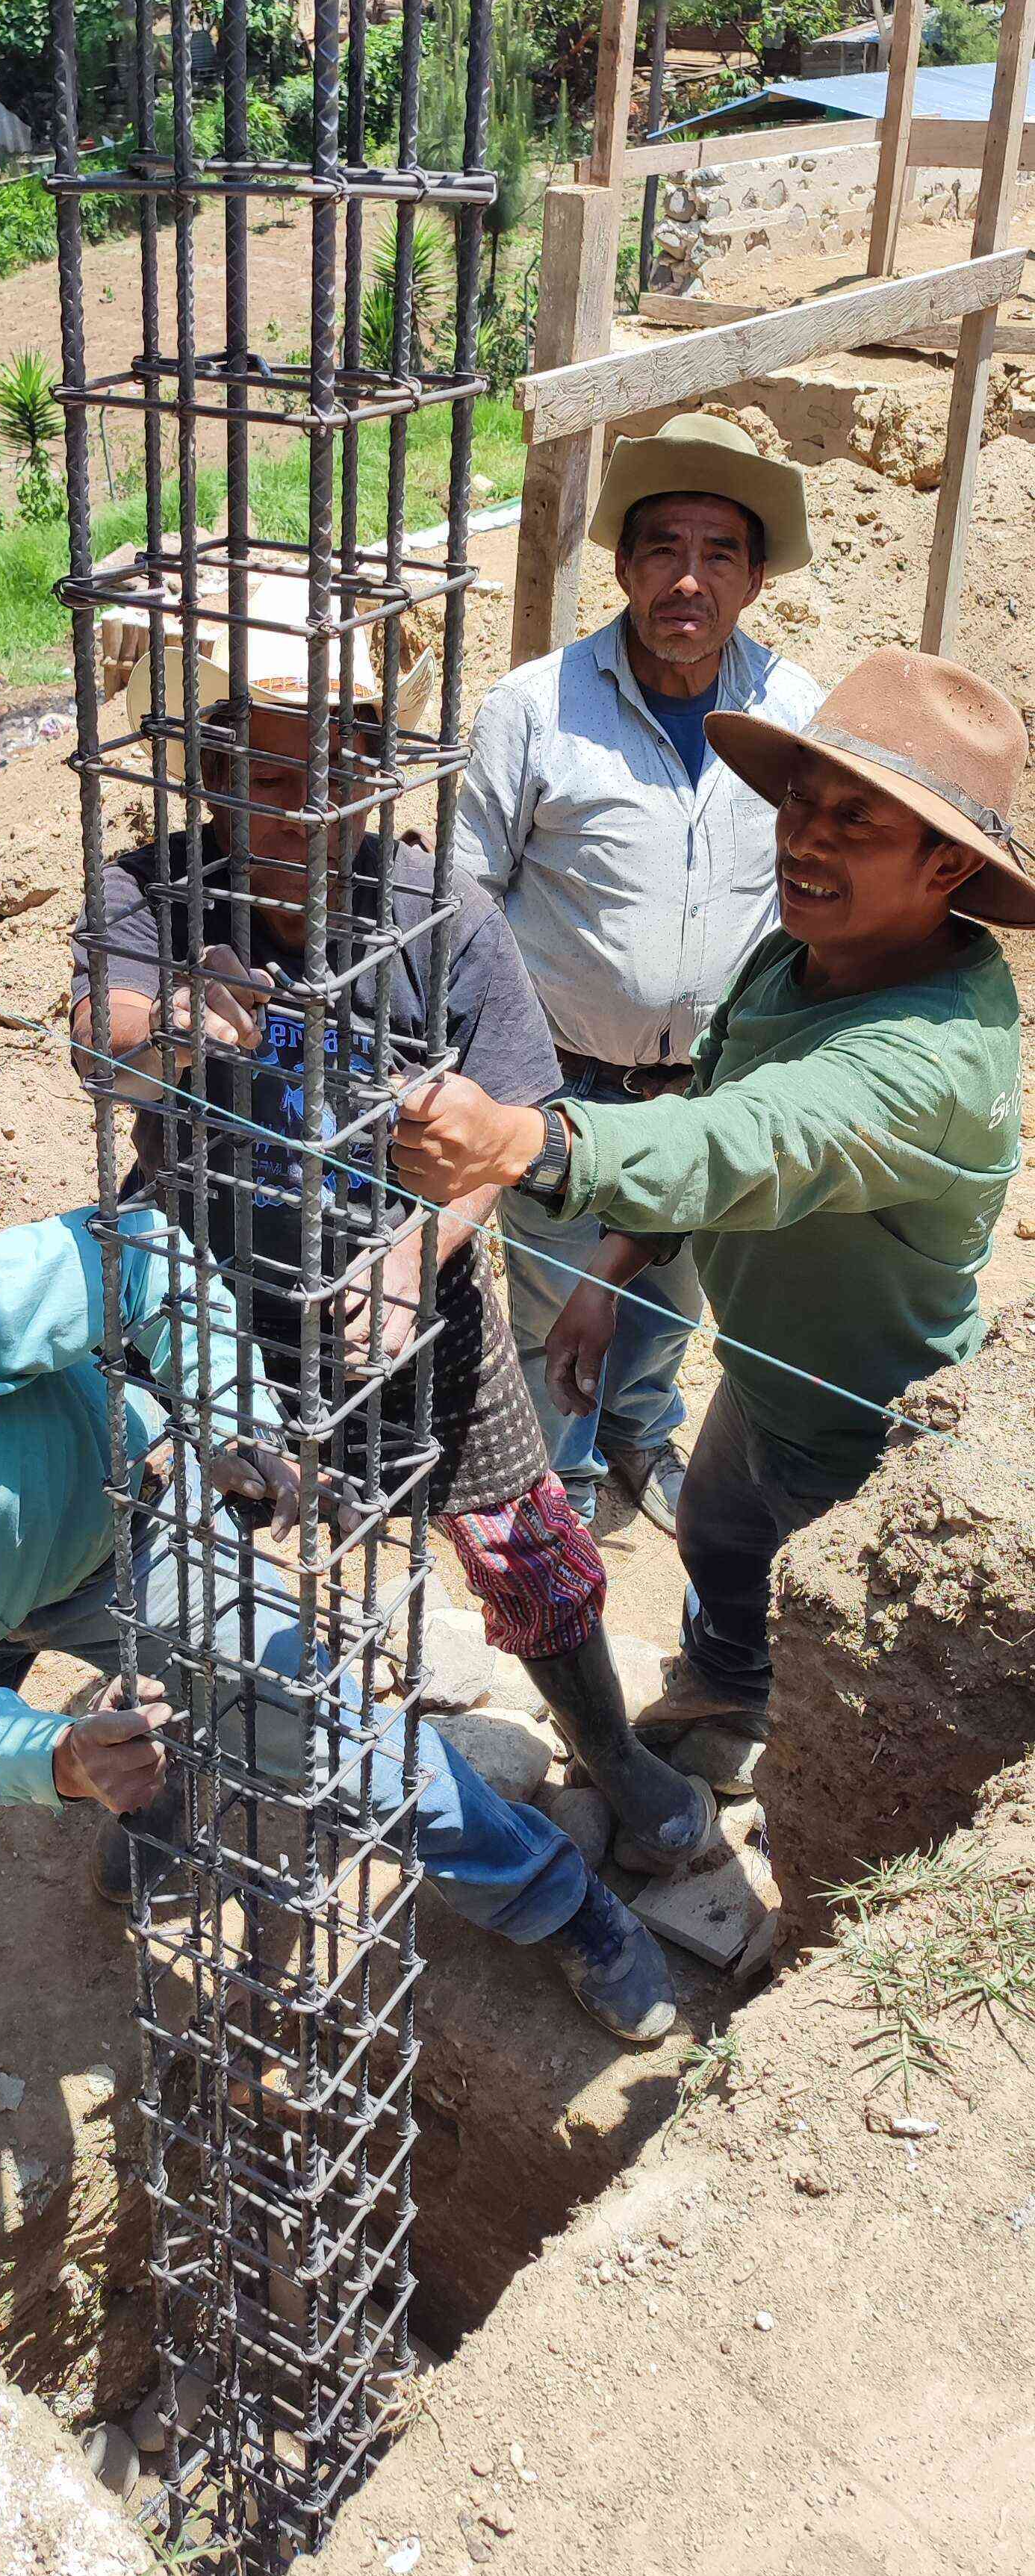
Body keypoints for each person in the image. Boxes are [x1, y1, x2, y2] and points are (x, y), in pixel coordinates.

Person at [0, 1202, 683, 2135]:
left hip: (130, 1531)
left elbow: (141, 1260)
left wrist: (232, 1420)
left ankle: (562, 1903)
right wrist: (52, 1760)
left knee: (339, 1746)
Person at [73, 569, 717, 1888]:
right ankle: (163, 1801)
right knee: (172, 1545)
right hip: (199, 1277)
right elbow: (99, 1051)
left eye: (330, 770)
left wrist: (423, 1255)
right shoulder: (153, 892)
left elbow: (514, 1122)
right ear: (208, 770)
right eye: (262, 769)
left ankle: (609, 1748)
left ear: (372, 771)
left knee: (520, 1526)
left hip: (404, 1271)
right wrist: (186, 1021)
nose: (296, 806)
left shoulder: (440, 913)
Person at [395, 649, 1030, 1795]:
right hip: (766, 1378)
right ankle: (724, 1687)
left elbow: (747, 1143)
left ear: (946, 867)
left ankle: (794, 1790)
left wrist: (527, 1143)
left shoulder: (927, 1055)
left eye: (855, 821)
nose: (805, 838)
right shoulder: (805, 954)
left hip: (862, 1434)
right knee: (721, 1542)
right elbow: (720, 1099)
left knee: (835, 1648)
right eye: (799, 801)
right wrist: (612, 1271)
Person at [455, 413, 821, 1536]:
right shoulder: (536, 706)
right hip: (562, 1085)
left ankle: (638, 1435)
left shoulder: (796, 713)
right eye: (663, 546)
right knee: (554, 1301)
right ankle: (550, 1486)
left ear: (755, 578)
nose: (687, 579)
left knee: (671, 1300)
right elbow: (462, 897)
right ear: (621, 564)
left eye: (719, 554)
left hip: (714, 1094)